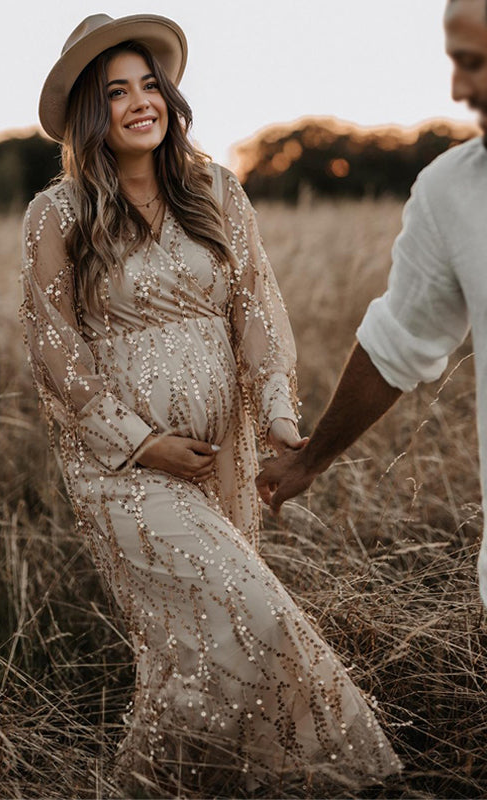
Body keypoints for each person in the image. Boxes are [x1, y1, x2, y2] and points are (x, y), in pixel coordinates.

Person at [20, 13, 401, 794]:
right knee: (255, 616)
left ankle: (168, 785)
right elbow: (53, 347)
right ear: (92, 113)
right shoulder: (56, 213)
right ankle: (343, 779)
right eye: (116, 91)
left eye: (149, 84)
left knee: (198, 646)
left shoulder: (215, 191)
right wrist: (138, 441)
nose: (140, 102)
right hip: (119, 466)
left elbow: (258, 313)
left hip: (219, 457)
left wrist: (280, 422)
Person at [257, 0, 487, 609]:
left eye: (475, 63)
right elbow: (398, 343)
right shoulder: (453, 192)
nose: (460, 88)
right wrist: (313, 460)